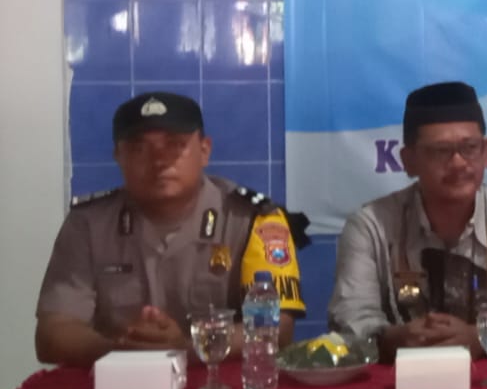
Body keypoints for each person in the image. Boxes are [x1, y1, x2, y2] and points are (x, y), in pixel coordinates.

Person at [35, 92, 304, 368]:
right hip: (119, 381)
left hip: (218, 384)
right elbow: (52, 334)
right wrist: (120, 349)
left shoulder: (253, 219)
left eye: (175, 145)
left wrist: (186, 349)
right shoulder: (88, 224)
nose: (159, 161)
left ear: (204, 151)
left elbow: (277, 329)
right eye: (140, 148)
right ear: (118, 155)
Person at [328, 82, 487, 357]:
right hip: (399, 378)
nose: (458, 163)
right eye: (441, 151)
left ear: (486, 152)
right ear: (408, 160)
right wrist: (394, 339)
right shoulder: (370, 226)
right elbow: (350, 322)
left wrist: (479, 337)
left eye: (469, 148)